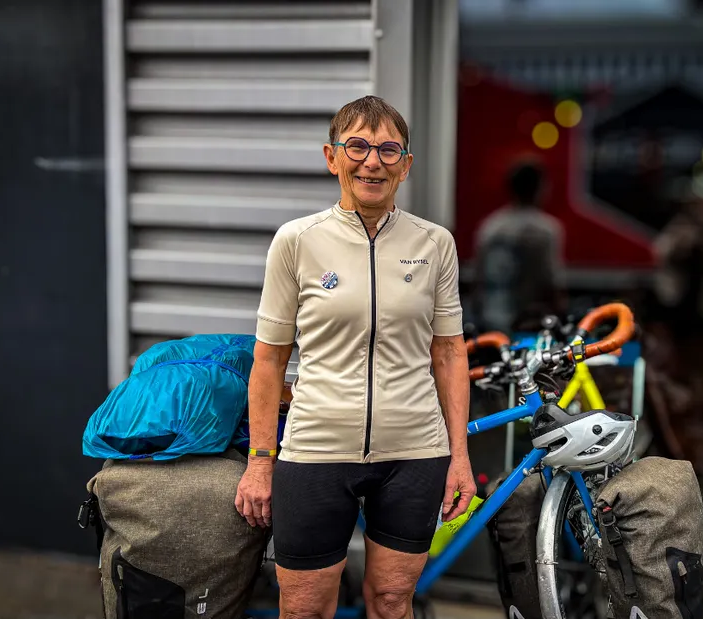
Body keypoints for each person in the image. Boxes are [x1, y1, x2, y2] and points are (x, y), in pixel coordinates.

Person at [234, 95, 476, 619]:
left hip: (415, 451)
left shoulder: (435, 244)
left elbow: (450, 352)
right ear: (332, 156)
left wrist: (458, 456)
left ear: (406, 165)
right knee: (304, 608)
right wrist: (259, 462)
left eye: (389, 150)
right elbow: (269, 361)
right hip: (317, 449)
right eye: (358, 147)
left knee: (392, 601)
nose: (373, 162)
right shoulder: (297, 241)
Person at [473, 159, 565, 333]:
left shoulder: (490, 226)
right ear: (538, 188)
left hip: (491, 318)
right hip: (525, 322)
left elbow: (479, 278)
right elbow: (550, 281)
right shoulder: (544, 230)